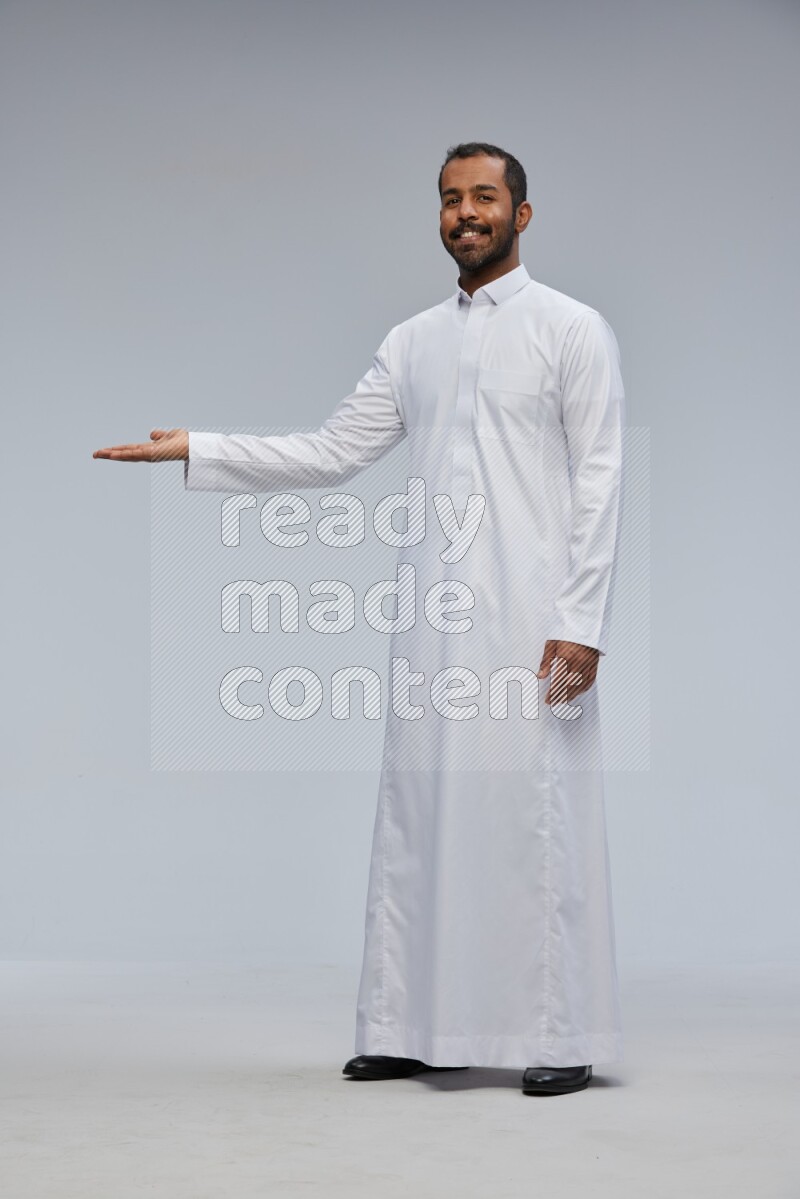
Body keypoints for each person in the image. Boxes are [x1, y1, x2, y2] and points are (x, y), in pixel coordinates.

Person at [94, 141, 627, 1097]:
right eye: (450, 199)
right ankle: (410, 1025)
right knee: (422, 817)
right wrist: (199, 447)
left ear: (521, 214)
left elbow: (601, 477)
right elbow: (332, 451)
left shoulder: (571, 329)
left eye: (485, 197)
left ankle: (558, 1030)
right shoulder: (413, 341)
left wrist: (581, 620)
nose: (465, 213)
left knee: (535, 815)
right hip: (433, 616)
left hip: (535, 617)